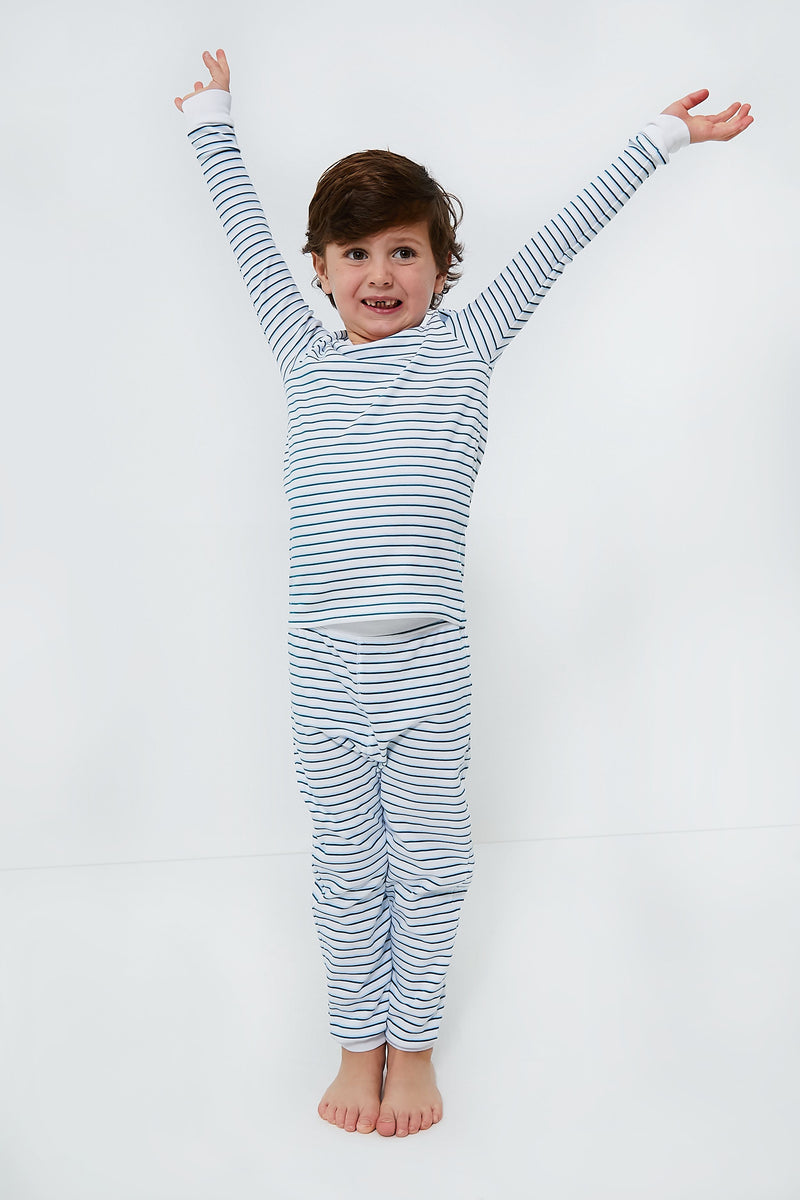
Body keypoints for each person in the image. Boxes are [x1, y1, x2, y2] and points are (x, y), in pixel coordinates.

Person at [173, 48, 753, 1138]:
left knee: (432, 868)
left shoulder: (464, 348)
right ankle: (358, 1042)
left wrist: (662, 137)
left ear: (442, 270)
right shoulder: (301, 353)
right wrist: (210, 120)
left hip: (427, 674)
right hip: (325, 675)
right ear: (319, 269)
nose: (380, 272)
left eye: (405, 250)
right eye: (356, 253)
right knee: (347, 871)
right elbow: (242, 233)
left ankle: (416, 1043)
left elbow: (558, 241)